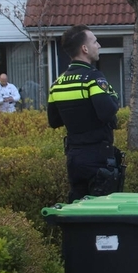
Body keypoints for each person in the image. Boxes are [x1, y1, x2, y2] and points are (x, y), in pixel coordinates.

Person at [47, 25, 122, 202]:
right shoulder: (93, 78)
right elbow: (107, 112)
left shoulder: (58, 83)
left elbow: (54, 120)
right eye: (95, 41)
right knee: (101, 212)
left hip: (74, 158)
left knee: (78, 210)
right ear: (85, 49)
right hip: (98, 157)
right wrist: (113, 96)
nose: (99, 46)